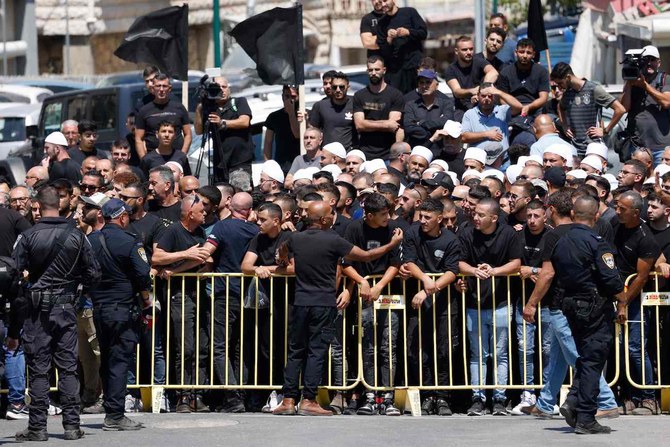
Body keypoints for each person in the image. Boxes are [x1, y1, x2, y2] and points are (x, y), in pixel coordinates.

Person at [272, 201, 403, 416]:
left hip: (300, 301)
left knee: (295, 351)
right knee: (316, 351)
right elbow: (366, 256)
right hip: (323, 302)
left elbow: (282, 250)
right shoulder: (333, 240)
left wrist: (283, 258)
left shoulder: (296, 237)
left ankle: (288, 400)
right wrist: (391, 245)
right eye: (330, 214)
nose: (333, 217)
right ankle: (308, 400)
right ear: (324, 219)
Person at [9, 186, 101, 441]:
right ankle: (71, 426)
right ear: (59, 205)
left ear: (39, 205)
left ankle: (38, 427)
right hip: (65, 307)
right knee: (68, 367)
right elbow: (93, 273)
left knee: (39, 369)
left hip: (37, 311)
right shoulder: (77, 236)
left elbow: (15, 274)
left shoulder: (28, 236)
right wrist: (77, 289)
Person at [549, 196, 626, 434]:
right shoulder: (597, 242)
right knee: (594, 360)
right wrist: (621, 302)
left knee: (585, 356)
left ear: (573, 213)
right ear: (595, 216)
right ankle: (586, 416)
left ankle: (573, 401)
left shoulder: (560, 242)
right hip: (594, 306)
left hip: (570, 304)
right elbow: (611, 279)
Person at [88, 198, 152, 430]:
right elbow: (143, 274)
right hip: (122, 309)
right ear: (123, 216)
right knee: (119, 360)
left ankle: (111, 408)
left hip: (98, 308)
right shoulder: (129, 241)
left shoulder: (90, 241)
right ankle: (115, 414)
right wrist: (146, 300)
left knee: (106, 359)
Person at [458, 198, 521, 415]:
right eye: (475, 213)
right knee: (477, 354)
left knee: (500, 353)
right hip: (474, 304)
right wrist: (473, 271)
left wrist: (494, 271)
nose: (475, 217)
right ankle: (477, 397)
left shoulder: (508, 234)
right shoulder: (467, 233)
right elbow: (460, 262)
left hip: (501, 303)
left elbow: (516, 262)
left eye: (481, 215)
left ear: (494, 218)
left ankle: (500, 399)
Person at [152, 195, 211, 413]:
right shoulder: (174, 230)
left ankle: (198, 394)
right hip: (180, 295)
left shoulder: (200, 232)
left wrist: (197, 267)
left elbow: (202, 259)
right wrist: (186, 254)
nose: (205, 213)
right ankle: (183, 395)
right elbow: (157, 258)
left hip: (199, 293)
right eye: (201, 210)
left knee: (201, 346)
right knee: (185, 346)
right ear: (189, 213)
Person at [403, 198, 461, 416]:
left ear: (440, 218)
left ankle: (443, 396)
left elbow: (452, 270)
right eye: (421, 216)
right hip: (418, 302)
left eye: (428, 217)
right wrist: (427, 281)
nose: (423, 221)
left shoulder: (451, 240)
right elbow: (409, 262)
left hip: (445, 303)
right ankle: (427, 394)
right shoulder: (412, 233)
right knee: (418, 349)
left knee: (444, 350)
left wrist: (429, 287)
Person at [202, 192, 259, 412]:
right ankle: (240, 394)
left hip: (224, 292)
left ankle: (233, 397)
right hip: (247, 295)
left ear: (231, 206)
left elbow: (207, 252)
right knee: (240, 348)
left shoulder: (222, 228)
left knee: (219, 347)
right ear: (249, 209)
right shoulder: (256, 230)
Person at [613, 190, 660, 415]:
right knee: (616, 349)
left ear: (636, 212)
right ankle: (626, 395)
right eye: (617, 207)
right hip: (613, 295)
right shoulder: (615, 226)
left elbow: (640, 278)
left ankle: (648, 397)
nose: (618, 211)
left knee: (635, 348)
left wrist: (624, 303)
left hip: (634, 299)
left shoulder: (645, 237)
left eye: (622, 209)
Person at [550, 62, 625, 157]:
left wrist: (605, 131)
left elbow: (620, 109)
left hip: (593, 148)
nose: (559, 88)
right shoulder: (568, 93)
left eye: (560, 83)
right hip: (575, 149)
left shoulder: (593, 89)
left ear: (568, 77)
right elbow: (560, 107)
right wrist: (564, 125)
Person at [620, 45, 670, 162]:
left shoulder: (665, 79)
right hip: (638, 146)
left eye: (652, 60)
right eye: (646, 59)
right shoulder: (633, 80)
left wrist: (645, 86)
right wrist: (629, 83)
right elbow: (624, 108)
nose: (649, 63)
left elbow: (666, 102)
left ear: (659, 63)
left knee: (661, 179)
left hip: (661, 147)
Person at [497, 39, 550, 146]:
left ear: (534, 54)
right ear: (515, 53)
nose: (525, 56)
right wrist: (517, 109)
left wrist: (529, 107)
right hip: (512, 110)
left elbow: (543, 97)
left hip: (535, 110)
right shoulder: (505, 72)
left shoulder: (542, 72)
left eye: (528, 53)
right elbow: (503, 99)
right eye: (521, 52)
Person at [353, 55, 405, 160]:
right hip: (365, 153)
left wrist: (367, 124)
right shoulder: (359, 95)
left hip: (388, 154)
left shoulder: (395, 95)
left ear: (384, 70)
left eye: (377, 69)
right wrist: (386, 124)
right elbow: (359, 125)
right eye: (370, 70)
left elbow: (394, 125)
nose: (373, 73)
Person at [461, 83, 523, 167]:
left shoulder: (502, 111)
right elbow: (464, 137)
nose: (486, 99)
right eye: (483, 96)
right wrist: (486, 134)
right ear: (478, 96)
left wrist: (498, 92)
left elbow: (519, 107)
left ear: (494, 97)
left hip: (502, 162)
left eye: (490, 96)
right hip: (479, 163)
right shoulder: (470, 114)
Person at [375, 0, 427, 94]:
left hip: (415, 66)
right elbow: (384, 52)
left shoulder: (410, 12)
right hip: (396, 72)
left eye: (385, 1)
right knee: (399, 103)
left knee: (420, 99)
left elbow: (423, 33)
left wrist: (408, 32)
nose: (383, 4)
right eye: (380, 2)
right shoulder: (381, 23)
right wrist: (389, 40)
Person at [135, 73, 192, 159]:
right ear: (153, 88)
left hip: (176, 158)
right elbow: (138, 138)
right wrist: (144, 160)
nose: (161, 89)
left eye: (164, 86)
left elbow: (188, 134)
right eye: (158, 86)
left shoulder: (179, 108)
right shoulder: (144, 110)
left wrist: (182, 155)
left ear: (169, 89)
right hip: (154, 159)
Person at [445, 35, 498, 121]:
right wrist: (472, 91)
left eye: (471, 49)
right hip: (462, 109)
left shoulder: (478, 61)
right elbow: (457, 91)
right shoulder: (451, 69)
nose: (469, 52)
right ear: (456, 51)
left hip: (483, 104)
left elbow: (493, 73)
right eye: (464, 50)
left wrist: (481, 91)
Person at [403, 69, 454, 148]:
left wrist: (421, 123)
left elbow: (448, 122)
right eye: (421, 82)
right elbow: (409, 128)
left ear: (436, 85)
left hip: (440, 151)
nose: (424, 86)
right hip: (417, 150)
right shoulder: (410, 105)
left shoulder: (446, 103)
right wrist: (433, 135)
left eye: (428, 82)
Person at [309, 72, 358, 150]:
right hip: (327, 155)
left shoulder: (356, 103)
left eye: (341, 87)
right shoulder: (320, 106)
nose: (338, 90)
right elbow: (312, 131)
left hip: (349, 156)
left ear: (348, 87)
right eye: (335, 87)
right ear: (331, 88)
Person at [263, 85, 300, 173]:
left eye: (293, 96)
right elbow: (268, 143)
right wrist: (268, 165)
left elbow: (297, 134)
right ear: (282, 97)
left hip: (300, 165)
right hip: (281, 166)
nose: (290, 100)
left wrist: (291, 113)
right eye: (287, 96)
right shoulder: (274, 117)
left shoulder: (303, 115)